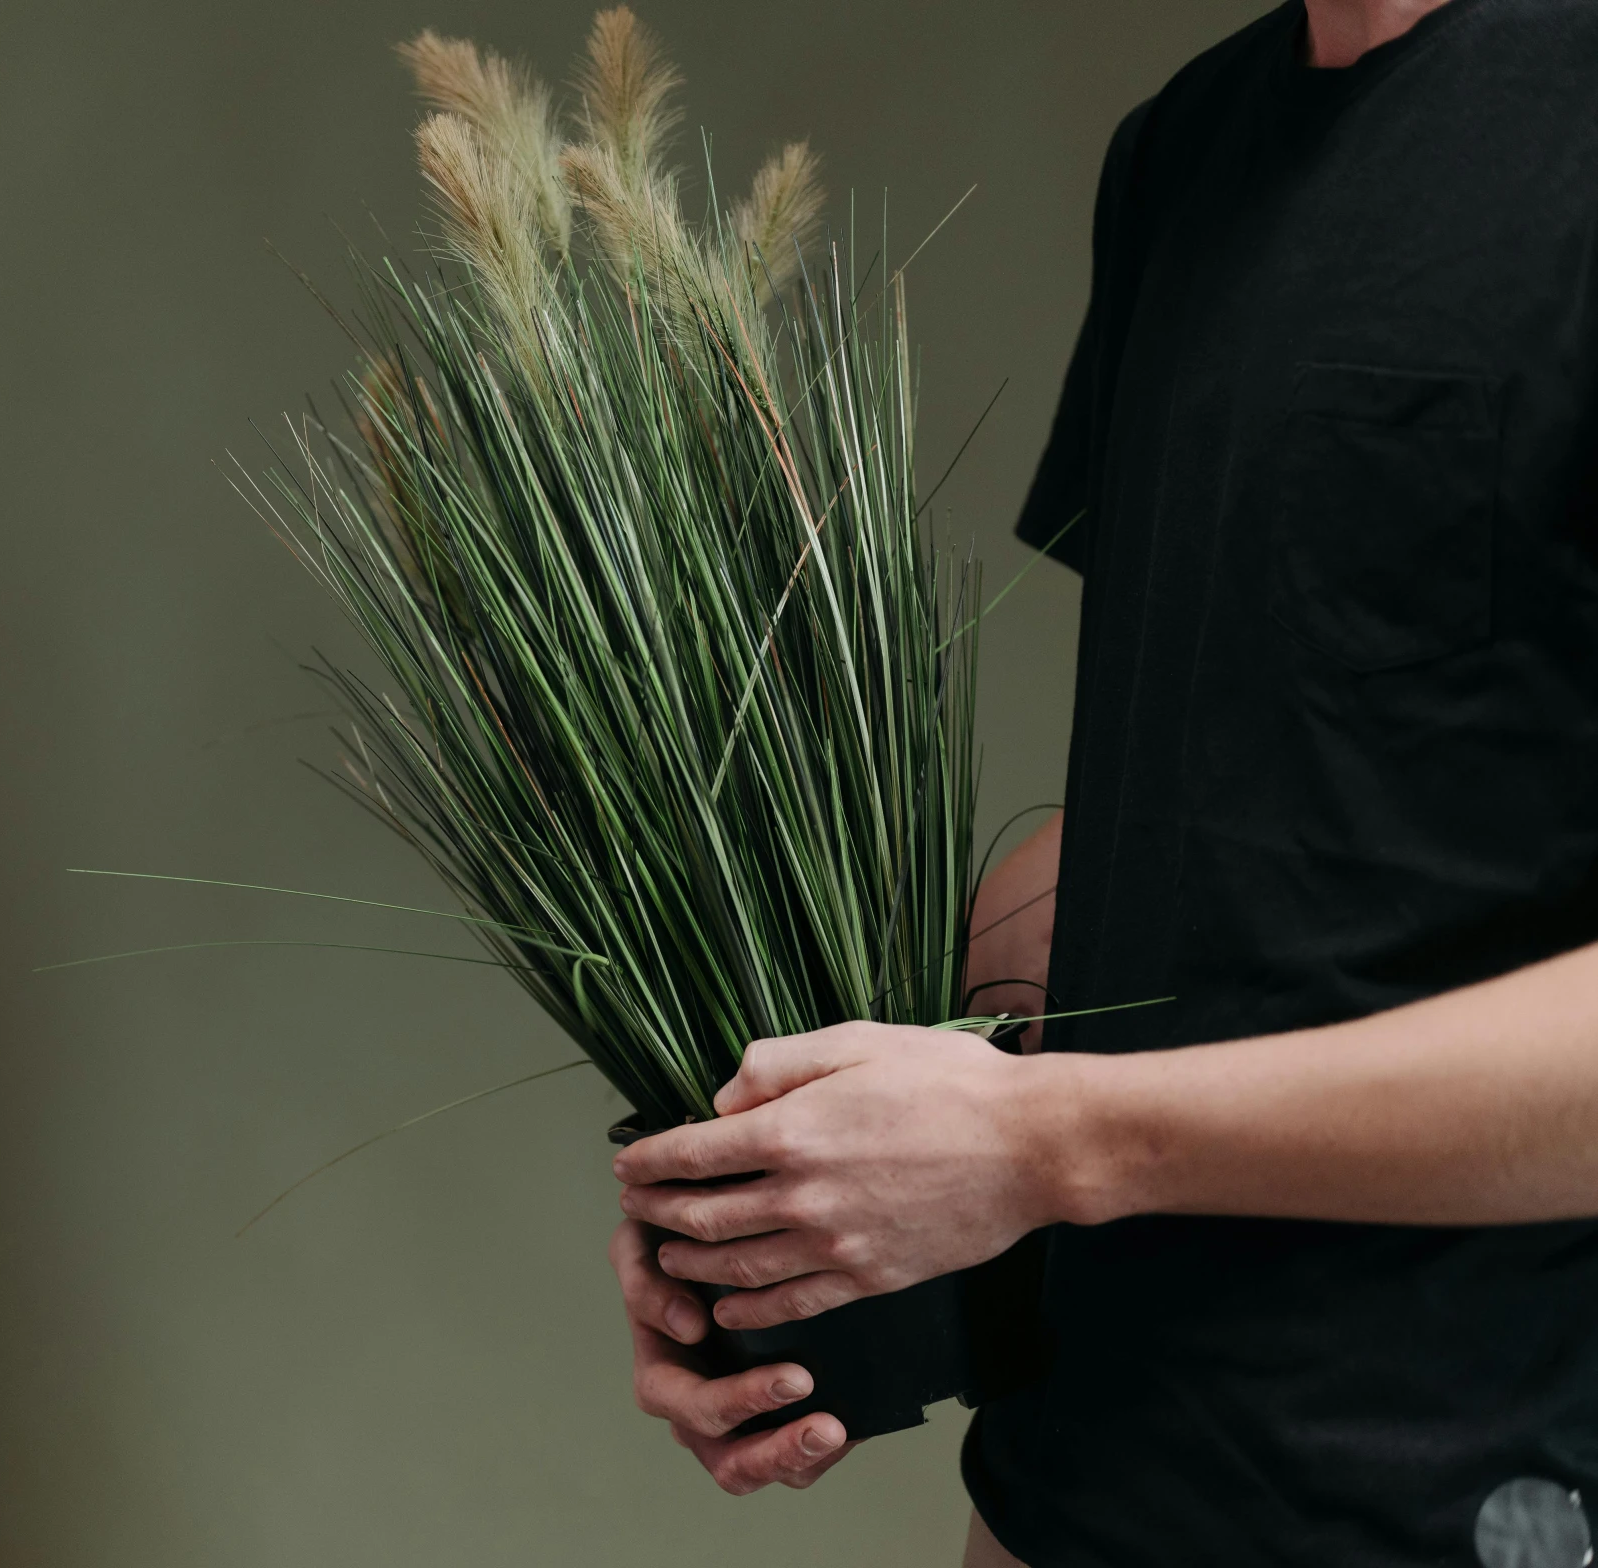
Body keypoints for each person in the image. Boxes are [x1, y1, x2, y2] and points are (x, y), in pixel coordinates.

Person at [607, 0, 1598, 1563]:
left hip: (1456, 1507)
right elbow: (1207, 844)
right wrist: (774, 1174)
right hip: (1075, 1493)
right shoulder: (1187, 156)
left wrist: (1039, 1144)